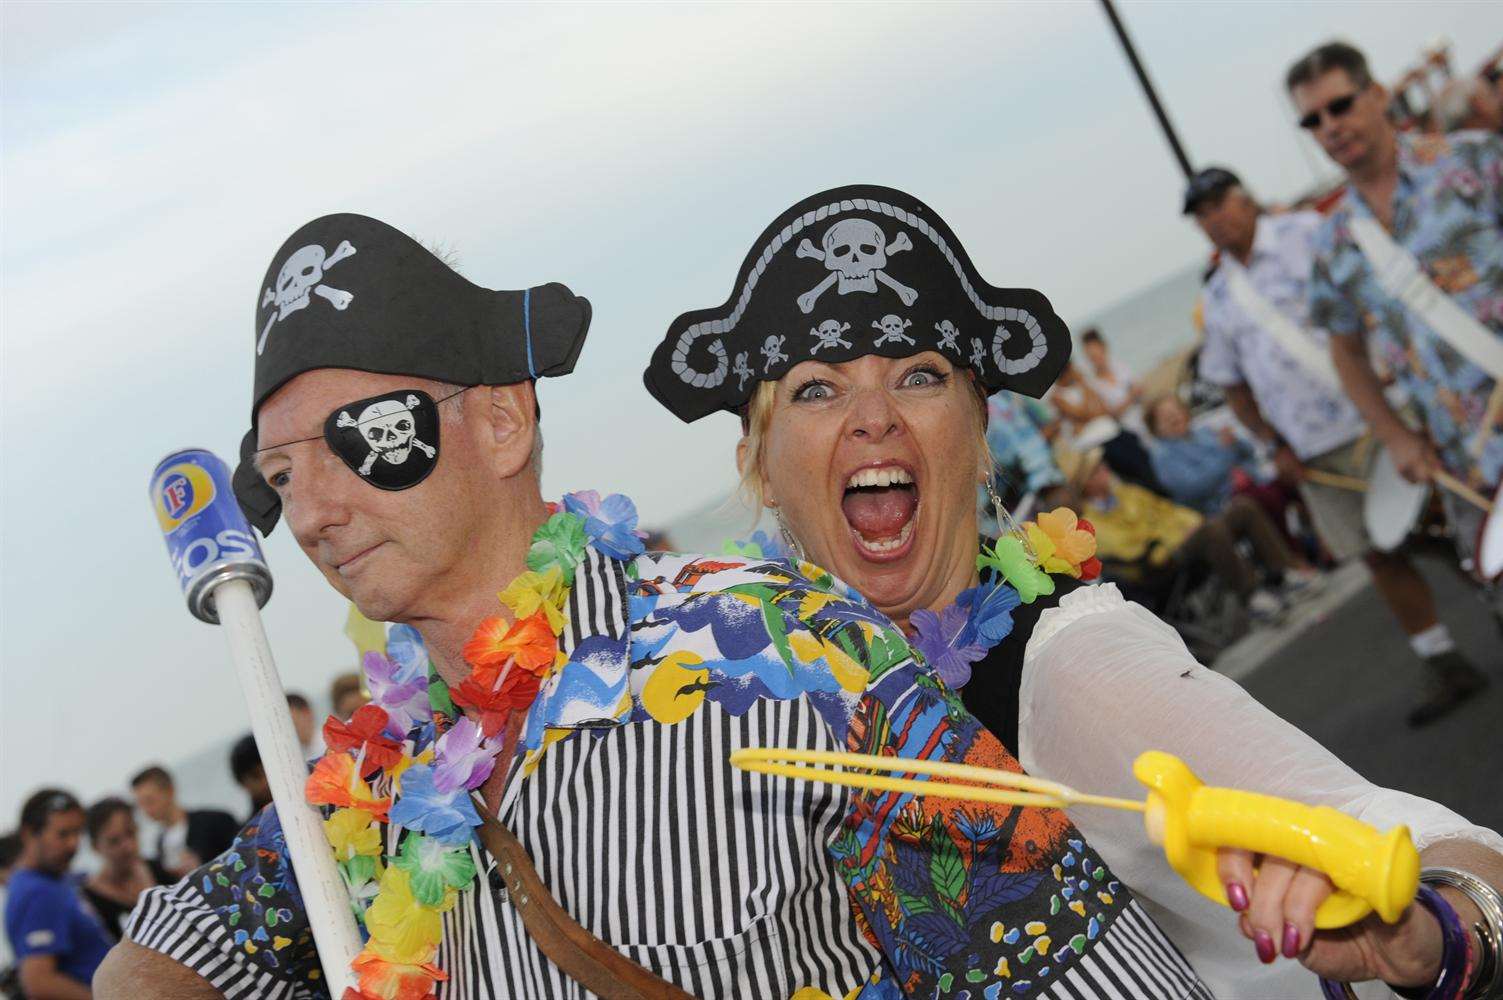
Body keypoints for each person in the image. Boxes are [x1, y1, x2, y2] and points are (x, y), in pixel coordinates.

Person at [96, 212, 1171, 1000]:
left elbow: (1076, 970)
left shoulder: (791, 656)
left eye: (358, 438)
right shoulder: (361, 792)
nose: (318, 508)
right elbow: (148, 967)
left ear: (506, 420)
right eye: (279, 475)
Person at [645, 184, 1503, 998]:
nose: (873, 417)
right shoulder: (792, 711)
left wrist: (1432, 929)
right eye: (817, 388)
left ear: (979, 437)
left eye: (918, 375)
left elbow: (1405, 832)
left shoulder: (1069, 666)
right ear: (758, 467)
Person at [1185, 162, 1488, 725]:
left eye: (1218, 203)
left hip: (1381, 420)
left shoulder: (1308, 234)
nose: (1214, 220)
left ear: (1244, 197)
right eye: (1202, 215)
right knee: (1382, 555)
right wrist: (1273, 443)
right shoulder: (1222, 298)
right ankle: (1443, 660)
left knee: (1455, 529)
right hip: (1316, 452)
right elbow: (1232, 383)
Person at [1291, 41, 1503, 570]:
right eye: (1312, 120)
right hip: (1469, 464)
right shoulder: (1333, 242)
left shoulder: (1475, 160)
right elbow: (1346, 353)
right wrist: (1394, 434)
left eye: (1340, 105)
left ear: (1378, 94)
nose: (1329, 126)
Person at [1061, 444, 1302, 621]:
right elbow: (1133, 551)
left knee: (1242, 508)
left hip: (1184, 541)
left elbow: (1168, 509)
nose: (1106, 470)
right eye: (1098, 469)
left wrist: (1191, 523)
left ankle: (1283, 571)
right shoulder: (1091, 524)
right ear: (1087, 483)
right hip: (1160, 565)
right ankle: (1251, 596)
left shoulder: (1127, 492)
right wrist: (1182, 535)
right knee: (1211, 532)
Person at [4, 789, 113, 997]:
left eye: (77, 833)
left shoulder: (56, 878)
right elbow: (40, 982)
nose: (73, 844)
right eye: (63, 834)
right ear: (29, 834)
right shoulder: (37, 893)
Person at [1050, 360, 1168, 494]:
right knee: (1132, 478)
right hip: (1095, 443)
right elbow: (1082, 414)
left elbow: (1103, 408)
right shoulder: (1056, 396)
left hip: (1113, 431)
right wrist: (1090, 407)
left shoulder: (1083, 385)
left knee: (1145, 463)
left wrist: (1084, 386)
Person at [127, 766, 237, 881]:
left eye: (150, 801)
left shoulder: (216, 821)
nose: (146, 810)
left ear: (170, 791)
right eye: (141, 804)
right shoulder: (159, 844)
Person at [80, 799, 168, 943]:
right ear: (95, 846)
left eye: (131, 833)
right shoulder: (89, 902)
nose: (128, 846)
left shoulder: (157, 868)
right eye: (114, 841)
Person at [1079, 328, 1145, 434]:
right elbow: (1109, 415)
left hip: (1143, 416)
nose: (1096, 360)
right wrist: (1131, 397)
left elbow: (1140, 388)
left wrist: (1131, 397)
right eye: (1091, 357)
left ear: (1104, 348)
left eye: (1097, 355)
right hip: (1127, 429)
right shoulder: (1093, 385)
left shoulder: (1120, 366)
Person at [227, 734, 272, 819]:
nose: (266, 780)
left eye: (269, 770)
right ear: (242, 783)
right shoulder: (254, 830)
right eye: (256, 776)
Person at [285, 691, 324, 759]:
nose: (290, 731)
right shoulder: (292, 756)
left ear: (306, 713)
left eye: (294, 724)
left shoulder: (333, 744)